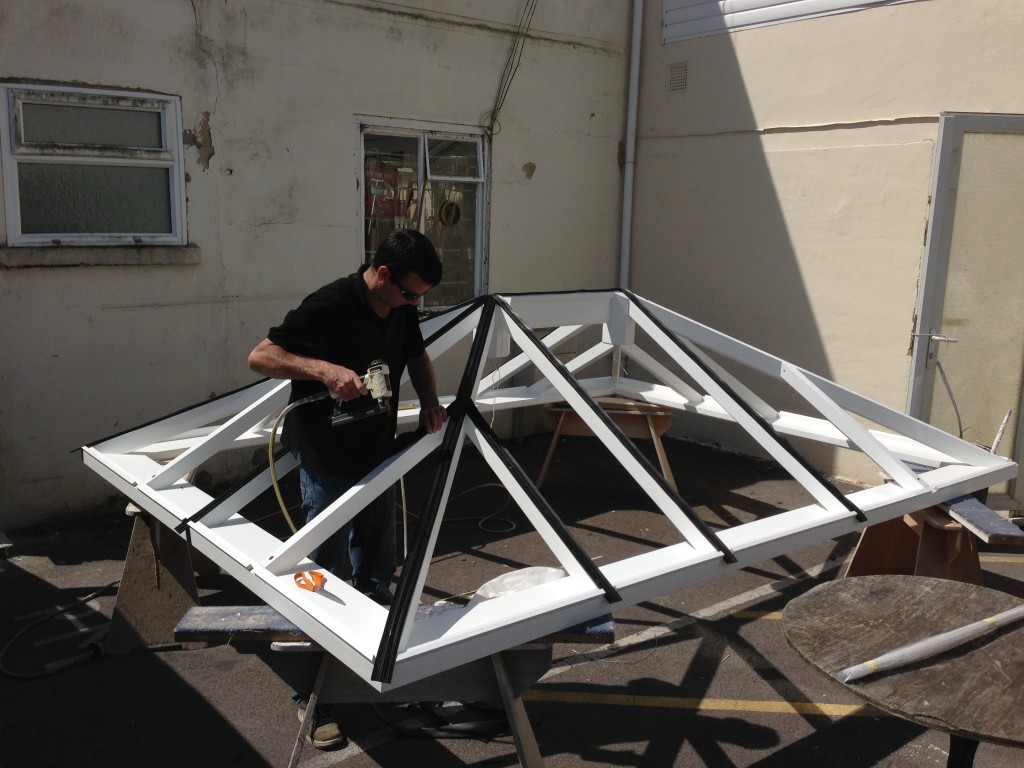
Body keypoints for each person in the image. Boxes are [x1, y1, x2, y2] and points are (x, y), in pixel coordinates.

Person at [248, 229, 447, 749]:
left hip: (375, 457)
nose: (414, 303)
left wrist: (429, 401)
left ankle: (372, 663)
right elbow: (261, 357)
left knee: (377, 567)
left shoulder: (401, 310)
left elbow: (417, 356)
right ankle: (314, 698)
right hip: (327, 461)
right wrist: (323, 369)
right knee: (321, 577)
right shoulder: (331, 304)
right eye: (409, 293)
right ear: (382, 275)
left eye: (420, 296)